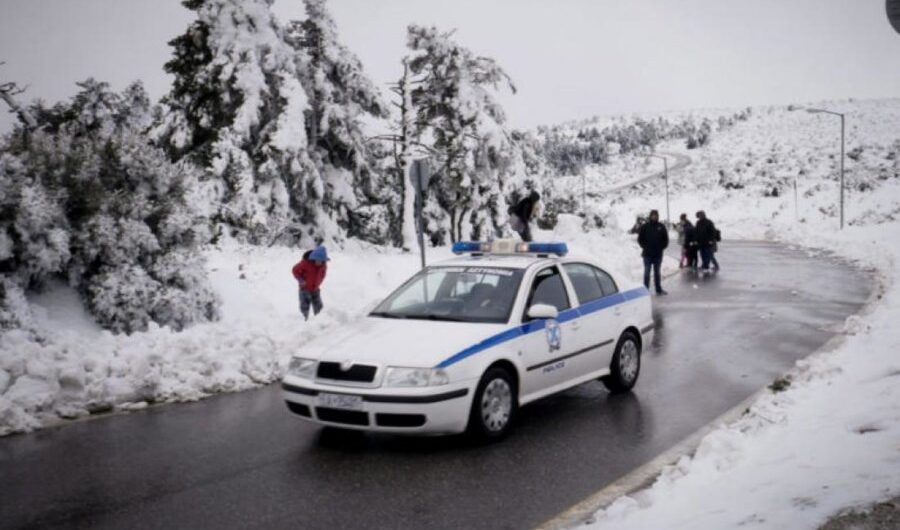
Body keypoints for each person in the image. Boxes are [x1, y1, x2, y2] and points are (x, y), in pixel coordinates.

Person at [292, 245, 329, 320]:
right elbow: (295, 270)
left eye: (321, 261)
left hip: (315, 289)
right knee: (305, 307)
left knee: (319, 306)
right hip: (304, 289)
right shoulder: (306, 263)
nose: (319, 262)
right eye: (317, 260)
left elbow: (323, 274)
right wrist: (300, 279)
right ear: (313, 258)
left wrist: (319, 282)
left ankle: (319, 321)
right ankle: (304, 322)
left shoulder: (323, 265)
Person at [637, 209, 669, 295]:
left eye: (656, 215)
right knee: (647, 273)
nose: (654, 216)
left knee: (657, 273)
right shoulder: (645, 226)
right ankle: (645, 290)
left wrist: (661, 247)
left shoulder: (661, 226)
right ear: (650, 216)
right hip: (647, 255)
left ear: (658, 216)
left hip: (658, 255)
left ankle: (658, 290)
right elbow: (640, 239)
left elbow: (666, 240)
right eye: (653, 215)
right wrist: (645, 247)